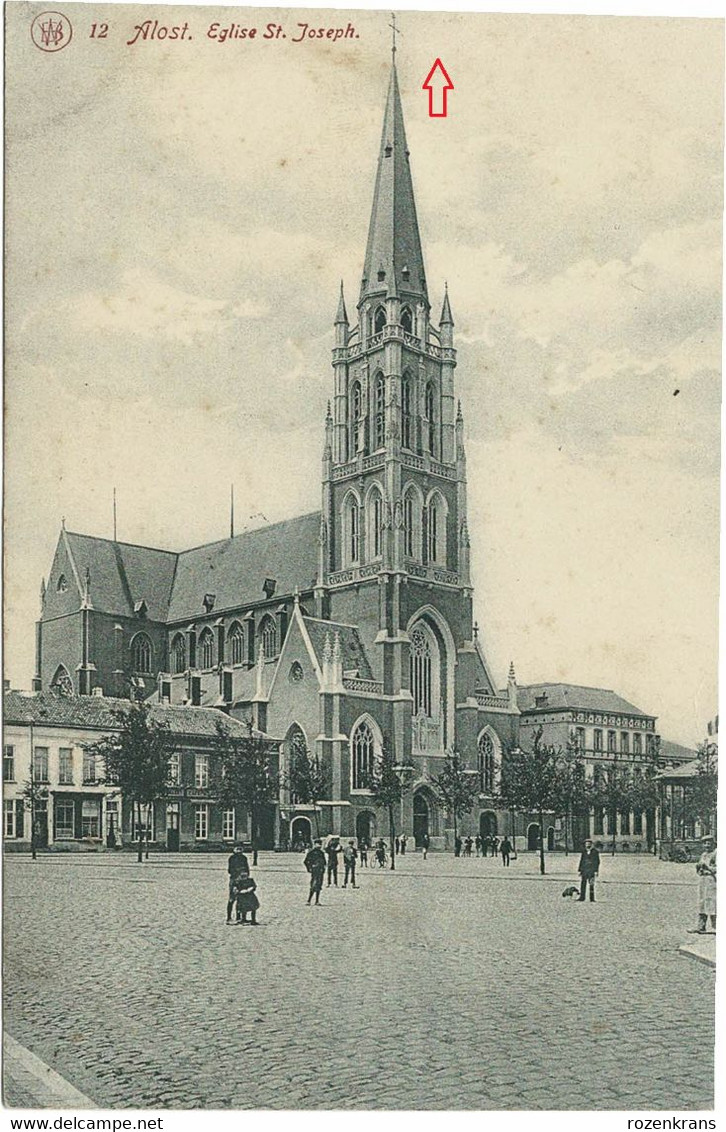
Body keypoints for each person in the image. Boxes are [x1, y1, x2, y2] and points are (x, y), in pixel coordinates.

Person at [688, 835, 717, 934]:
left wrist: (708, 867)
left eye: (709, 843)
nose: (707, 845)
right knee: (702, 902)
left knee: (712, 902)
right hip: (703, 879)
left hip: (712, 879)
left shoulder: (716, 853)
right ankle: (701, 926)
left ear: (714, 843)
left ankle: (716, 926)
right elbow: (700, 869)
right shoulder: (704, 855)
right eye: (705, 843)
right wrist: (698, 868)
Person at [226, 843, 250, 923]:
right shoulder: (232, 858)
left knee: (242, 899)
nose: (239, 850)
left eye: (240, 849)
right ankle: (229, 917)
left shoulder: (244, 858)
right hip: (234, 880)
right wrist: (237, 874)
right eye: (237, 848)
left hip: (243, 880)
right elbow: (230, 870)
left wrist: (245, 876)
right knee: (232, 899)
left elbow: (247, 869)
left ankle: (239, 917)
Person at [304, 838, 327, 905]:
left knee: (319, 886)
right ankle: (309, 900)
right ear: (315, 844)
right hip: (314, 871)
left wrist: (323, 868)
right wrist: (309, 868)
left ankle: (317, 901)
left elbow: (324, 862)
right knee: (313, 886)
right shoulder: (311, 852)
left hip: (320, 871)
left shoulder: (321, 853)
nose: (319, 845)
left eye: (320, 844)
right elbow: (305, 861)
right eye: (318, 844)